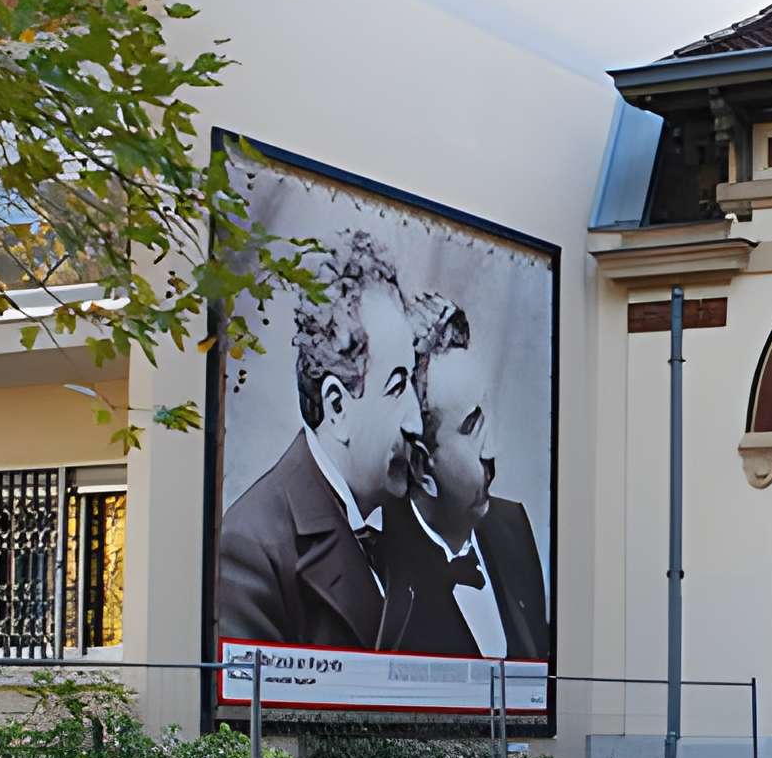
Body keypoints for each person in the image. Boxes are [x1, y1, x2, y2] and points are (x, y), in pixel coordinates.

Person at [213, 227, 423, 651]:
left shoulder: (413, 518)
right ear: (337, 407)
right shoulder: (251, 550)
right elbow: (255, 711)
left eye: (414, 381)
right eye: (398, 386)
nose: (416, 421)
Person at [384, 292, 553, 664]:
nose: (492, 450)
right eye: (472, 428)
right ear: (422, 468)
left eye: (486, 416)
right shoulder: (380, 570)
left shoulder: (512, 526)